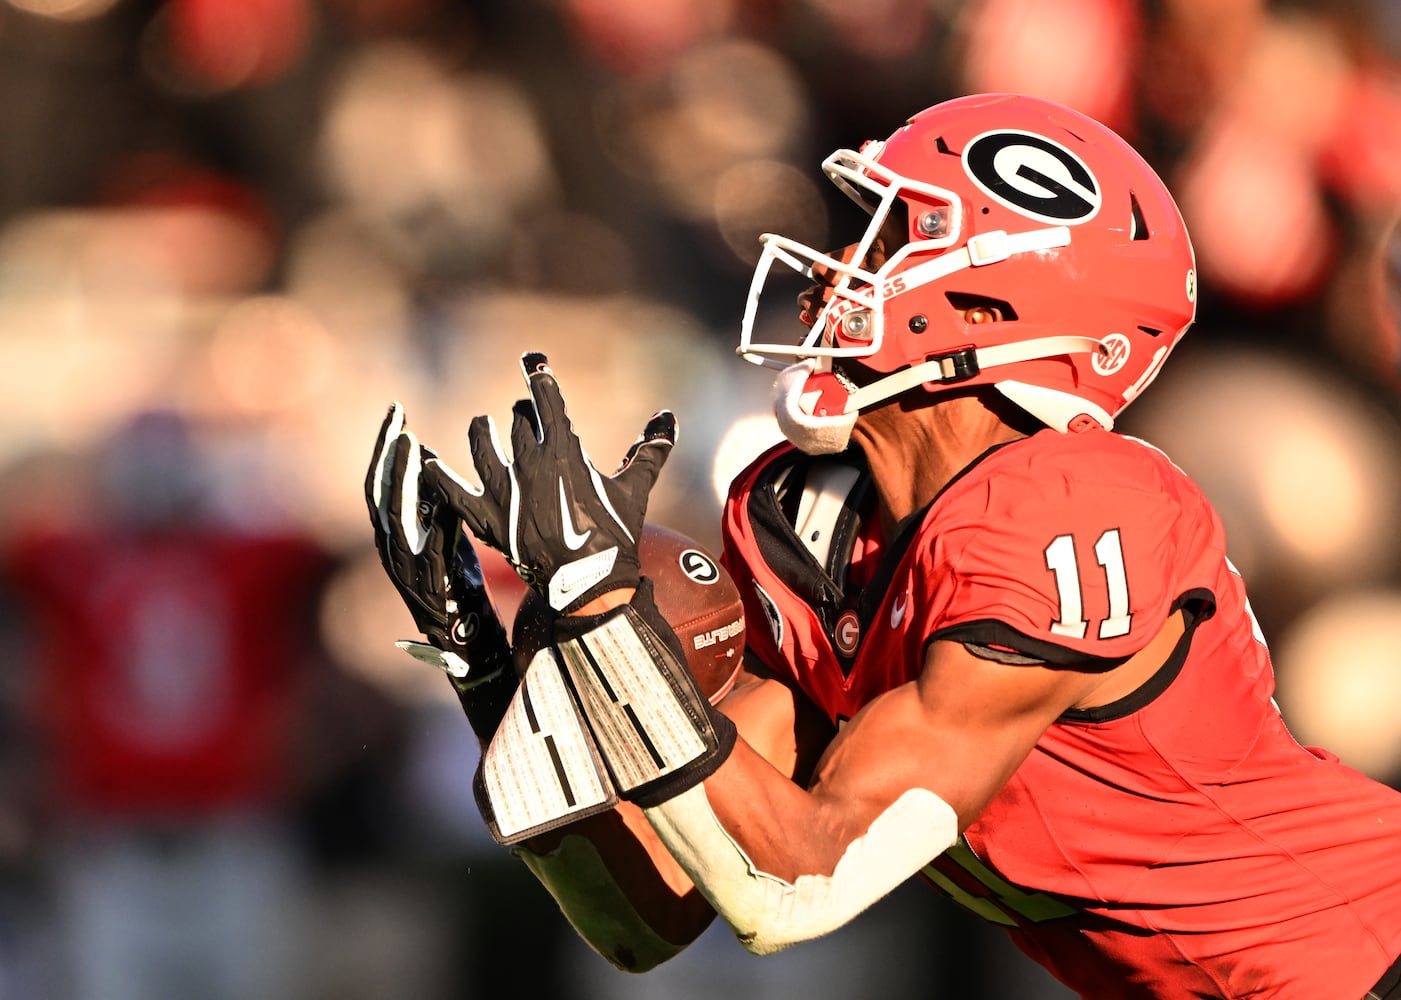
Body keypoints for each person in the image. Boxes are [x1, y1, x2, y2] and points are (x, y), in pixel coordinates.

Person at [367, 94, 1401, 999]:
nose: (838, 268)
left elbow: (798, 886)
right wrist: (495, 661)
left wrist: (604, 612)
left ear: (993, 303)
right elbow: (650, 913)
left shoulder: (1069, 506)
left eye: (893, 234)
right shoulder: (811, 521)